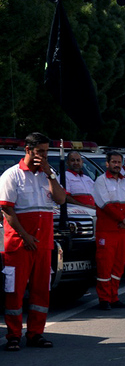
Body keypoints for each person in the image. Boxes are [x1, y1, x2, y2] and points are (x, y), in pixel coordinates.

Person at [1, 132, 67, 350]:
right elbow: (7, 209)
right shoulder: (12, 175)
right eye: (40, 151)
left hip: (43, 244)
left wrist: (50, 175)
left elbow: (61, 199)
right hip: (19, 244)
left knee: (41, 290)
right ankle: (13, 335)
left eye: (46, 152)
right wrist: (24, 235)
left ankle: (36, 333)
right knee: (15, 291)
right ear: (28, 150)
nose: (44, 156)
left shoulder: (49, 174)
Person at [93, 151, 125, 310]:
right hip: (107, 231)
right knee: (105, 265)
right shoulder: (101, 181)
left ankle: (114, 297)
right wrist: (123, 219)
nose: (117, 165)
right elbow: (105, 205)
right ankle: (104, 299)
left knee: (119, 265)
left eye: (119, 162)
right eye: (114, 162)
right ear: (107, 164)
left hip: (123, 231)